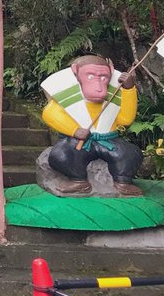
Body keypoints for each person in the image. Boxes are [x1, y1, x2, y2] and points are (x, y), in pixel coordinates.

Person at [41, 55, 143, 196]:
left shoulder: (113, 97)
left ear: (111, 73)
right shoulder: (67, 96)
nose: (99, 87)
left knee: (131, 153)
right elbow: (50, 114)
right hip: (80, 141)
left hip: (108, 140)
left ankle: (122, 182)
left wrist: (129, 89)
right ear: (76, 73)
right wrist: (74, 131)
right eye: (90, 77)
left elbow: (125, 120)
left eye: (103, 78)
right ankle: (78, 180)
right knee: (61, 154)